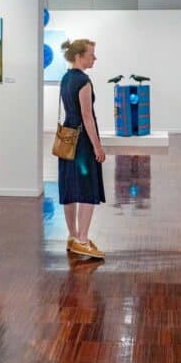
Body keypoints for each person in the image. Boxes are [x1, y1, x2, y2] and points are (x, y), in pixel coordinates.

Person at [57, 38, 106, 259]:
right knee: (86, 188)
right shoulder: (84, 81)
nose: (94, 58)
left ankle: (73, 235)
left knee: (69, 188)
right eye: (91, 54)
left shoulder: (66, 78)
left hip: (67, 137)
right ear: (79, 56)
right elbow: (87, 117)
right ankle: (83, 240)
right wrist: (98, 147)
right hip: (82, 143)